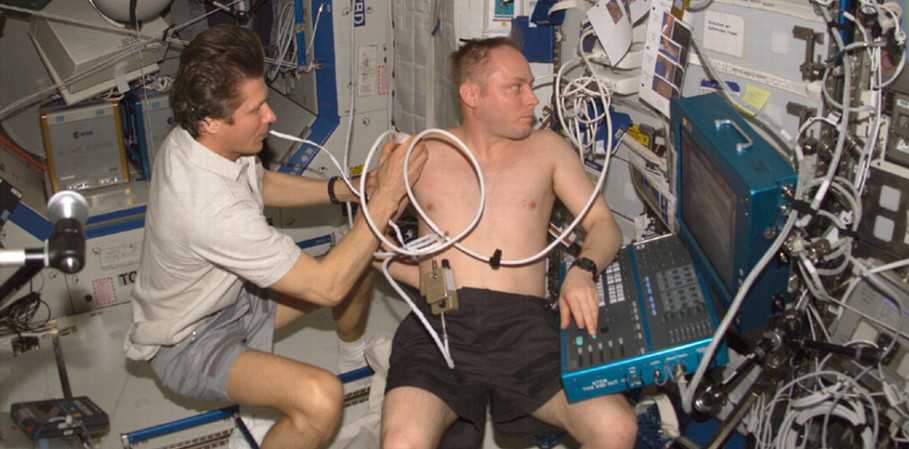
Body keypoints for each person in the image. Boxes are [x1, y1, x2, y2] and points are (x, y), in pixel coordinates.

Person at [122, 24, 426, 449]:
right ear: (211, 120)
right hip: (185, 341)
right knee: (321, 398)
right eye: (257, 109)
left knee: (354, 262)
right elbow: (325, 287)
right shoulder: (208, 208)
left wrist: (353, 189)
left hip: (231, 303)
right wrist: (390, 195)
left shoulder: (197, 140)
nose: (271, 116)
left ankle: (352, 358)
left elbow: (259, 184)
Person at [379, 37, 637, 449]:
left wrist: (583, 271)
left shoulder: (549, 150)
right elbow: (370, 240)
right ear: (471, 94)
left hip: (525, 327)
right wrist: (428, 279)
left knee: (616, 430)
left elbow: (605, 225)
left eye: (530, 87)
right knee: (401, 443)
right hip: (441, 323)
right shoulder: (422, 153)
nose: (532, 100)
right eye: (516, 88)